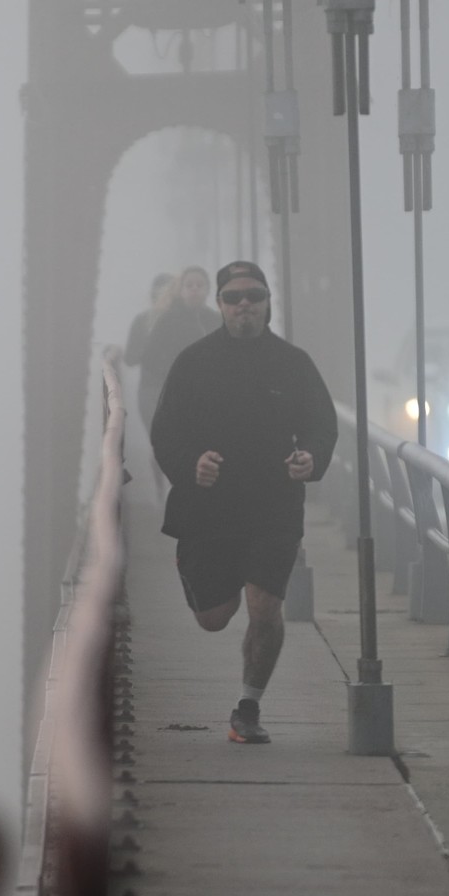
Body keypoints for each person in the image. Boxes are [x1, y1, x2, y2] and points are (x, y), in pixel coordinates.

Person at [148, 260, 337, 744]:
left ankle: (248, 708)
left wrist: (310, 458)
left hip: (273, 506)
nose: (244, 305)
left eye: (254, 295)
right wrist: (192, 465)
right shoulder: (194, 362)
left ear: (269, 301)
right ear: (220, 304)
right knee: (214, 618)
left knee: (265, 606)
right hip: (209, 508)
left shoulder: (294, 364)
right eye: (233, 297)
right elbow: (164, 431)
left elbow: (322, 424)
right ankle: (194, 571)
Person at [139, 265, 221, 435]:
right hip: (173, 395)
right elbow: (148, 358)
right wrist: (170, 373)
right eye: (189, 285)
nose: (194, 290)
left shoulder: (214, 320)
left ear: (207, 290)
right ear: (181, 290)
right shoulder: (168, 320)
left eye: (200, 285)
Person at [122, 271, 176, 429]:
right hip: (152, 391)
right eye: (164, 294)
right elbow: (130, 358)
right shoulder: (142, 321)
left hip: (177, 391)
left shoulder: (186, 320)